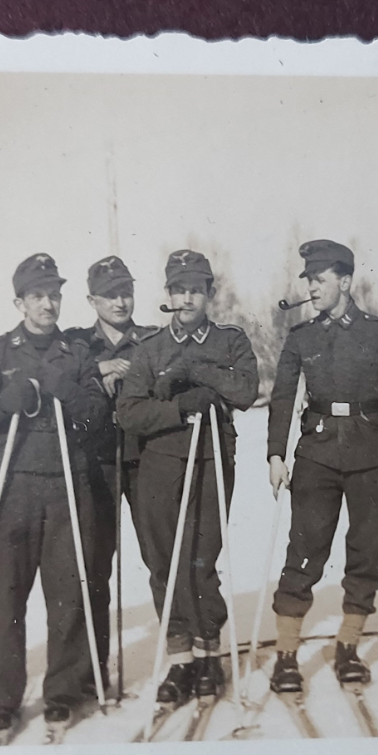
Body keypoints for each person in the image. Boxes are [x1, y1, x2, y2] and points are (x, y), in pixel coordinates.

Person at [0, 253, 110, 742]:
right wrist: (7, 400)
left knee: (67, 595)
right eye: (38, 296)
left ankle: (62, 693)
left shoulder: (77, 351)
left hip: (68, 484)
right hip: (13, 487)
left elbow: (97, 416)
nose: (48, 303)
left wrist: (65, 388)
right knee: (10, 597)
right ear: (19, 301)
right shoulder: (0, 350)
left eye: (54, 294)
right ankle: (4, 699)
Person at [265, 239, 378, 692]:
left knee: (369, 552)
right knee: (304, 551)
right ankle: (286, 654)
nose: (312, 288)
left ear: (345, 281)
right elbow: (281, 398)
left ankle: (349, 646)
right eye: (309, 281)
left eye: (320, 279)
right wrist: (277, 454)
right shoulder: (302, 337)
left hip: (372, 455)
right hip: (315, 454)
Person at [117, 250, 259, 703]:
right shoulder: (150, 349)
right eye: (179, 289)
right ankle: (180, 659)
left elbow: (246, 389)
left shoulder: (230, 341)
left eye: (196, 289)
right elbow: (129, 412)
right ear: (168, 294)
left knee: (201, 559)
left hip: (212, 458)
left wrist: (197, 370)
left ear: (209, 293)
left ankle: (208, 654)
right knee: (164, 561)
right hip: (160, 463)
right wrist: (178, 406)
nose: (187, 297)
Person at [62, 256, 160, 683]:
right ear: (92, 299)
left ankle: (183, 658)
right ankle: (91, 670)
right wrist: (98, 371)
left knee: (162, 556)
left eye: (126, 291)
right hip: (98, 462)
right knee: (94, 564)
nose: (120, 301)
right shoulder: (78, 343)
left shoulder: (154, 338)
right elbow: (62, 378)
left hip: (146, 460)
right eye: (110, 294)